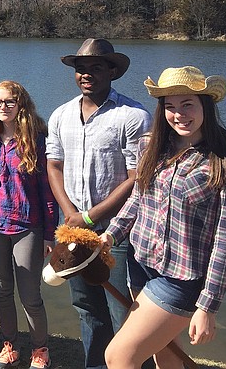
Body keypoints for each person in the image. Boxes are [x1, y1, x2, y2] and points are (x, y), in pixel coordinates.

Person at [100, 66, 226, 369]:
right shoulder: (151, 145)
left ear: (205, 106)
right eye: (170, 107)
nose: (179, 114)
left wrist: (207, 307)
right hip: (140, 263)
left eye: (187, 105)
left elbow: (225, 244)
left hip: (182, 279)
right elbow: (138, 200)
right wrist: (110, 235)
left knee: (118, 356)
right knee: (165, 355)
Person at [46, 38, 151, 369]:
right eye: (80, 69)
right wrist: (69, 214)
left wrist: (90, 217)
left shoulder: (133, 116)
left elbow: (137, 178)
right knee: (86, 307)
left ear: (112, 71)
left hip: (118, 234)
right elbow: (54, 165)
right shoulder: (61, 115)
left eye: (95, 68)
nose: (86, 74)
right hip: (74, 229)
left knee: (124, 312)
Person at [0, 81, 57, 369]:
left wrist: (50, 234)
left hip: (28, 226)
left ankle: (40, 349)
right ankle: (9, 346)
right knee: (1, 290)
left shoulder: (37, 140)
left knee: (30, 295)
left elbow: (46, 192)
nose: (3, 107)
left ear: (21, 105)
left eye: (9, 102)